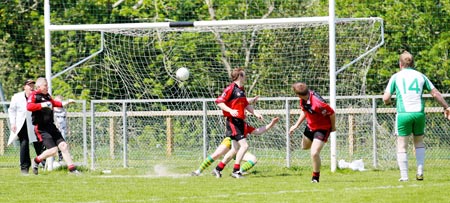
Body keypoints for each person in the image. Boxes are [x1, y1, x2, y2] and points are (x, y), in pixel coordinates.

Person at [383, 51, 450, 182]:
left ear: (400, 64)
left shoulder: (396, 77)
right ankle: (419, 172)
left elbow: (386, 98)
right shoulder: (420, 76)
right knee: (418, 142)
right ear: (413, 63)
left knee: (402, 145)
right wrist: (446, 107)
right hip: (419, 113)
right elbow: (435, 93)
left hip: (404, 114)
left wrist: (389, 102)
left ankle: (404, 176)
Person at [212, 68, 263, 178]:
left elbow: (245, 104)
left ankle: (217, 169)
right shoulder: (231, 88)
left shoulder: (241, 89)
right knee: (244, 146)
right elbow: (219, 102)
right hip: (233, 121)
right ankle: (236, 171)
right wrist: (230, 111)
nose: (246, 77)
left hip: (239, 121)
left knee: (235, 149)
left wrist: (256, 113)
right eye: (244, 75)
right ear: (240, 76)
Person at [191, 117, 279, 177]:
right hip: (230, 142)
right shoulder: (233, 119)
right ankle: (198, 171)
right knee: (216, 154)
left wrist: (271, 124)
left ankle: (238, 172)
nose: (245, 114)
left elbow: (258, 131)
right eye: (244, 111)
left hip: (239, 149)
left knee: (253, 159)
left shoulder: (245, 126)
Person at [26, 77, 79, 175]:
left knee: (63, 146)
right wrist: (42, 105)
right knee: (53, 150)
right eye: (45, 85)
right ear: (39, 86)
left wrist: (67, 102)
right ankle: (36, 160)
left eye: (47, 85)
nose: (47, 87)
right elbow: (29, 107)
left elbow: (54, 103)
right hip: (41, 128)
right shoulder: (34, 95)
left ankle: (72, 170)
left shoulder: (48, 96)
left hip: (51, 126)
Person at [289, 82, 336, 183]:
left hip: (322, 128)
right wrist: (296, 125)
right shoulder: (303, 99)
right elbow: (305, 111)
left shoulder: (318, 103)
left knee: (314, 153)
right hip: (310, 126)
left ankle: (315, 178)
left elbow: (332, 113)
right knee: (304, 147)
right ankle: (316, 143)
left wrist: (333, 127)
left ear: (298, 94)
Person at [8, 79, 44, 175]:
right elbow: (11, 110)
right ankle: (24, 168)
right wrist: (13, 123)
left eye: (33, 85)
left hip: (34, 123)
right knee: (24, 144)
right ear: (25, 87)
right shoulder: (17, 97)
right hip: (22, 124)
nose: (31, 87)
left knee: (39, 144)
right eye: (29, 85)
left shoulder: (37, 96)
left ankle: (44, 164)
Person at [53, 95, 68, 162]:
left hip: (63, 129)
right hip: (55, 129)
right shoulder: (53, 110)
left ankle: (60, 159)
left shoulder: (64, 110)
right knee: (53, 145)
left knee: (62, 144)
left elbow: (66, 119)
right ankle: (51, 160)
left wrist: (68, 128)